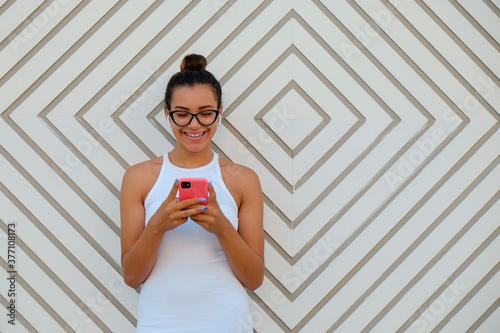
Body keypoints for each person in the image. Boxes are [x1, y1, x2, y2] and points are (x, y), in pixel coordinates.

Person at [120, 54, 264, 332]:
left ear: (220, 112)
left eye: (205, 112)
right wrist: (157, 227)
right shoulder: (139, 178)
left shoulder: (243, 180)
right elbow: (131, 276)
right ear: (166, 113)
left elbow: (254, 279)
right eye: (182, 113)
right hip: (159, 322)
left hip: (227, 321)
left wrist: (222, 228)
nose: (194, 124)